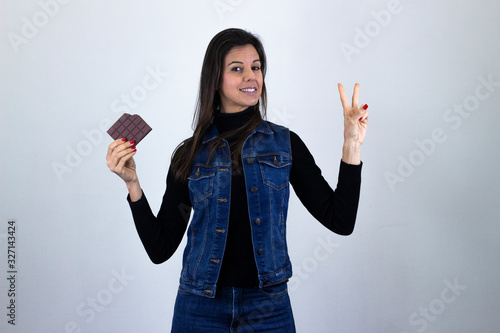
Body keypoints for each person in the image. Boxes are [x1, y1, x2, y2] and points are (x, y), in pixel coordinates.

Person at [106, 28, 368, 333]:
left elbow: (340, 220)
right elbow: (160, 248)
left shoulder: (284, 144)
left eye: (256, 67)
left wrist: (352, 146)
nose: (250, 76)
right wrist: (133, 185)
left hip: (268, 307)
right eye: (237, 69)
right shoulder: (190, 154)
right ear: (215, 79)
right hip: (199, 306)